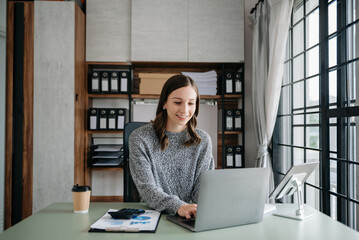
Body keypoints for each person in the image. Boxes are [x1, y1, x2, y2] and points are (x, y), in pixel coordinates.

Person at [129, 74, 214, 219]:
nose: (185, 110)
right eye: (177, 102)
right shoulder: (140, 138)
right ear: (164, 103)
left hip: (192, 217)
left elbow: (204, 191)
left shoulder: (203, 141)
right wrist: (178, 206)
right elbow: (147, 189)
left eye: (191, 103)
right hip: (155, 215)